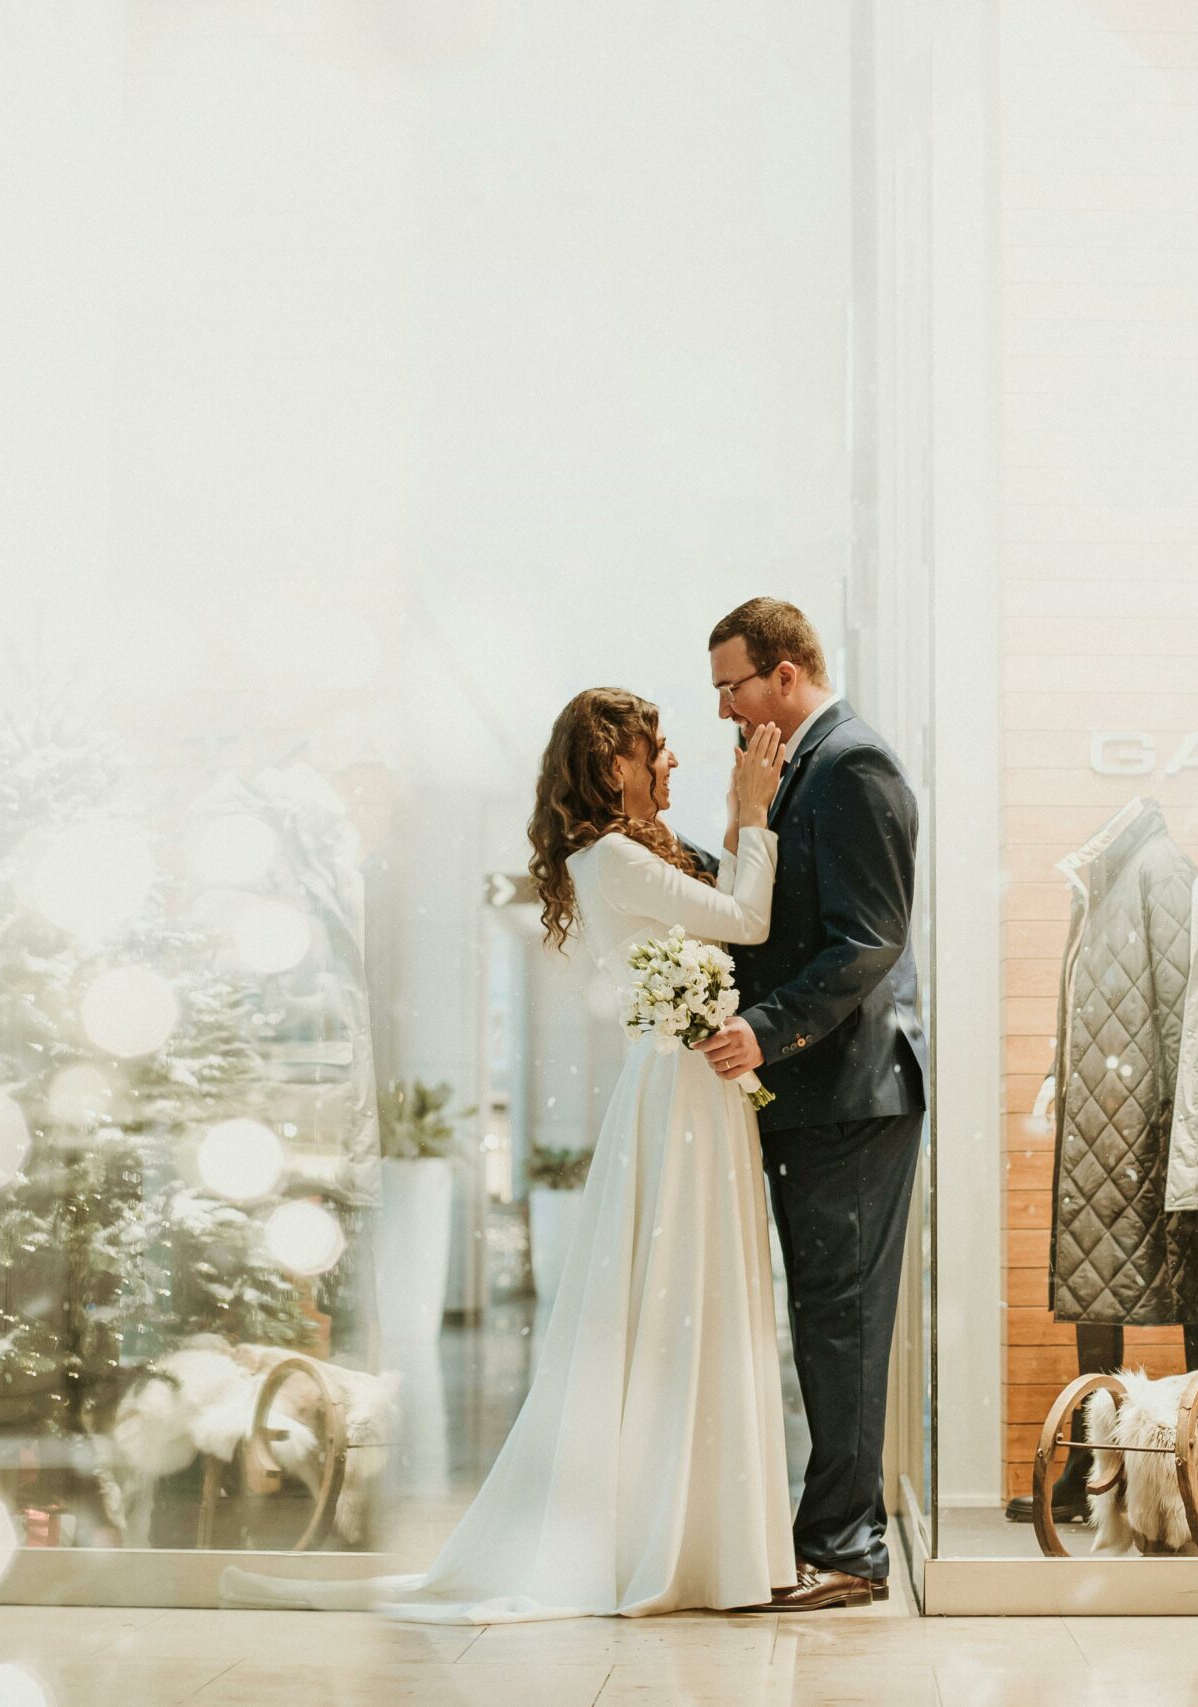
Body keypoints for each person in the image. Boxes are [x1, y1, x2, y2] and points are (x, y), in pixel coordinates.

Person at [224, 688, 791, 1619]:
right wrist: (752, 815)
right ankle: (679, 1536)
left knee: (698, 1302)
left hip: (699, 1091)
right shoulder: (610, 854)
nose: (675, 764)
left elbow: (726, 911)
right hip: (677, 1096)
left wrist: (738, 827)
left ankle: (701, 1532)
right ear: (615, 763)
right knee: (678, 1301)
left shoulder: (633, 852)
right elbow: (749, 919)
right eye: (660, 749)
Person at [695, 597, 927, 1613]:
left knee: (842, 1322)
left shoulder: (853, 764)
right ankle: (827, 1535)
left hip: (852, 1092)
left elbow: (867, 939)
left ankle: (847, 1549)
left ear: (784, 674)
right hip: (817, 1095)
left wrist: (768, 1027)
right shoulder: (801, 766)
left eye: (730, 686)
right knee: (822, 1318)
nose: (723, 709)